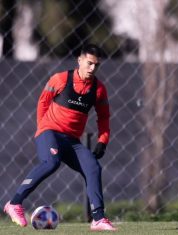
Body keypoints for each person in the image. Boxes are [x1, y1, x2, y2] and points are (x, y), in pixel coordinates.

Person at [4, 44, 117, 231]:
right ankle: (14, 203)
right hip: (50, 132)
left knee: (93, 167)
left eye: (96, 65)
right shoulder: (60, 79)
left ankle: (98, 218)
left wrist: (102, 141)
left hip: (72, 141)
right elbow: (43, 102)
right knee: (51, 162)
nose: (92, 69)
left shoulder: (98, 90)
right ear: (79, 60)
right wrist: (42, 129)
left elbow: (104, 117)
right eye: (89, 63)